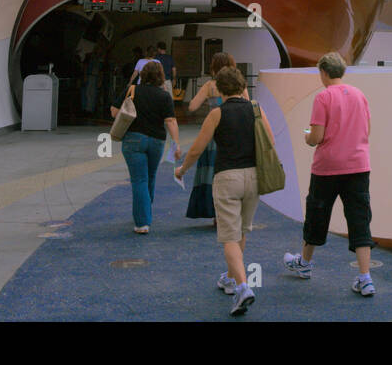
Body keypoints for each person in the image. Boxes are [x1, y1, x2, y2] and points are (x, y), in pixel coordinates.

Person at [175, 67, 275, 317]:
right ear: (242, 86)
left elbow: (197, 149)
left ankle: (243, 287)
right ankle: (231, 278)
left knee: (228, 235)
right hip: (253, 176)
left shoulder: (217, 114)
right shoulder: (256, 109)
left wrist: (182, 169)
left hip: (227, 176)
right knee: (241, 230)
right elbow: (271, 142)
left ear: (219, 89)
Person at [283, 52, 376, 296]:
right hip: (358, 165)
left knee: (317, 213)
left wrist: (307, 135)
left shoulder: (323, 97)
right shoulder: (360, 95)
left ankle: (304, 263)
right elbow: (367, 129)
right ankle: (365, 277)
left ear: (324, 73)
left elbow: (317, 137)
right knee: (359, 218)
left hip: (327, 167)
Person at [112, 60, 179, 234]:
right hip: (156, 141)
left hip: (133, 140)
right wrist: (176, 144)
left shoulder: (132, 90)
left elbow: (113, 110)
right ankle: (145, 213)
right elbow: (170, 121)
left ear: (143, 75)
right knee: (150, 177)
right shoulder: (165, 96)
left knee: (139, 180)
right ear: (161, 77)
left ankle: (142, 222)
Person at [183, 52, 237, 224]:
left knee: (211, 174)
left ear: (213, 67)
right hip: (232, 135)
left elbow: (192, 106)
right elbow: (247, 105)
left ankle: (214, 212)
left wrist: (210, 101)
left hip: (213, 135)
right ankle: (228, 212)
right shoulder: (238, 85)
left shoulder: (210, 86)